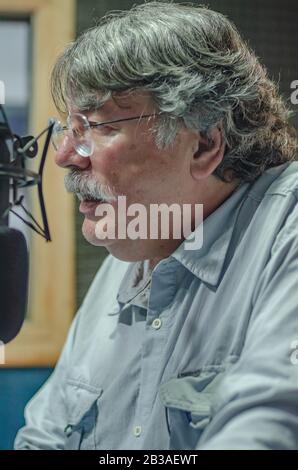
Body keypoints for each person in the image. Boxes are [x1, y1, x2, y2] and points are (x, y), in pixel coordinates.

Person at [15, 1, 298, 450]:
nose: (64, 155)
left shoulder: (288, 228)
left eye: (94, 126)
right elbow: (45, 435)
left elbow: (270, 424)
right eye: (67, 128)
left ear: (203, 145)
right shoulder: (135, 241)